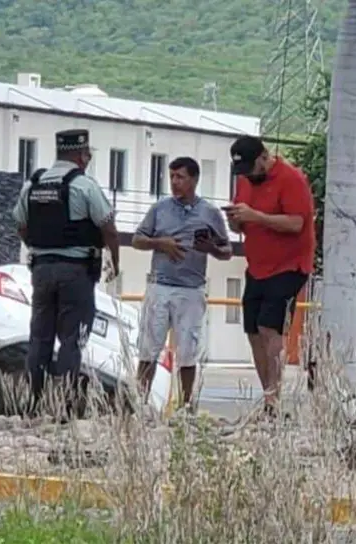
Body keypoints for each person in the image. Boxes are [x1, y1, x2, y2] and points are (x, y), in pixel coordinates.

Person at [11, 129, 120, 419]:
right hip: (77, 271)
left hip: (42, 270)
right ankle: (65, 406)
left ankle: (32, 406)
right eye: (88, 154)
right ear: (81, 155)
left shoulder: (32, 185)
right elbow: (108, 227)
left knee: (40, 337)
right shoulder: (84, 186)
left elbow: (20, 223)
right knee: (72, 338)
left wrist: (38, 245)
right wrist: (115, 261)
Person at [225, 136, 315, 419]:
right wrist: (236, 219)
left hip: (289, 264)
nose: (249, 176)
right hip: (257, 265)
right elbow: (242, 222)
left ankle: (274, 398)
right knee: (252, 330)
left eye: (252, 168)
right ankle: (267, 395)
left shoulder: (291, 179)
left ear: (265, 157)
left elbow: (297, 223)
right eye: (243, 172)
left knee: (269, 327)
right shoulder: (245, 181)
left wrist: (258, 216)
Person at [132, 157, 232, 412]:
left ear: (194, 180)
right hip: (160, 285)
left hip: (191, 288)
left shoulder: (209, 213)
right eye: (172, 176)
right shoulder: (160, 209)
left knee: (188, 350)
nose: (175, 182)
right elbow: (137, 239)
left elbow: (227, 250)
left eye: (181, 177)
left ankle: (186, 407)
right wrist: (160, 243)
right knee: (149, 347)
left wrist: (210, 248)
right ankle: (139, 403)